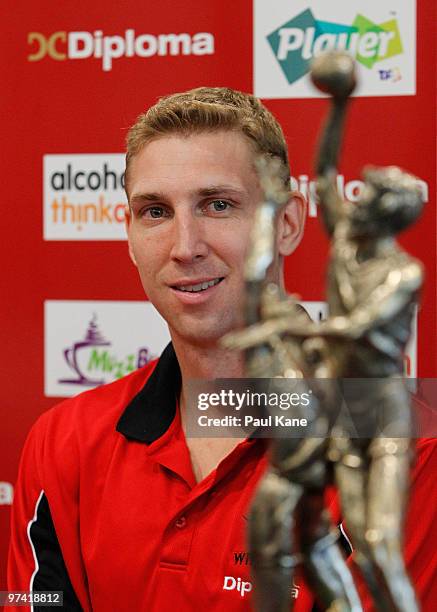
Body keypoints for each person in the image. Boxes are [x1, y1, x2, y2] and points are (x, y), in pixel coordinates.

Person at [7, 87, 436, 612]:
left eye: (218, 204)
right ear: (129, 235)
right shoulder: (64, 442)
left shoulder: (406, 451)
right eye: (156, 211)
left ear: (287, 223)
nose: (185, 246)